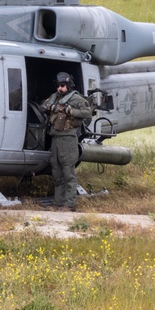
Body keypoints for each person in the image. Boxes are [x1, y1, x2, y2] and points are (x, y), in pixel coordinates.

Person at [39, 72, 93, 211]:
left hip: (68, 139)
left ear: (68, 85)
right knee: (56, 172)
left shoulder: (76, 99)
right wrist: (51, 107)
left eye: (62, 86)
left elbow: (88, 112)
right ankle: (58, 203)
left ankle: (69, 204)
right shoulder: (55, 97)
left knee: (68, 172)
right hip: (55, 138)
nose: (59, 89)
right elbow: (42, 106)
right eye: (58, 86)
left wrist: (71, 111)